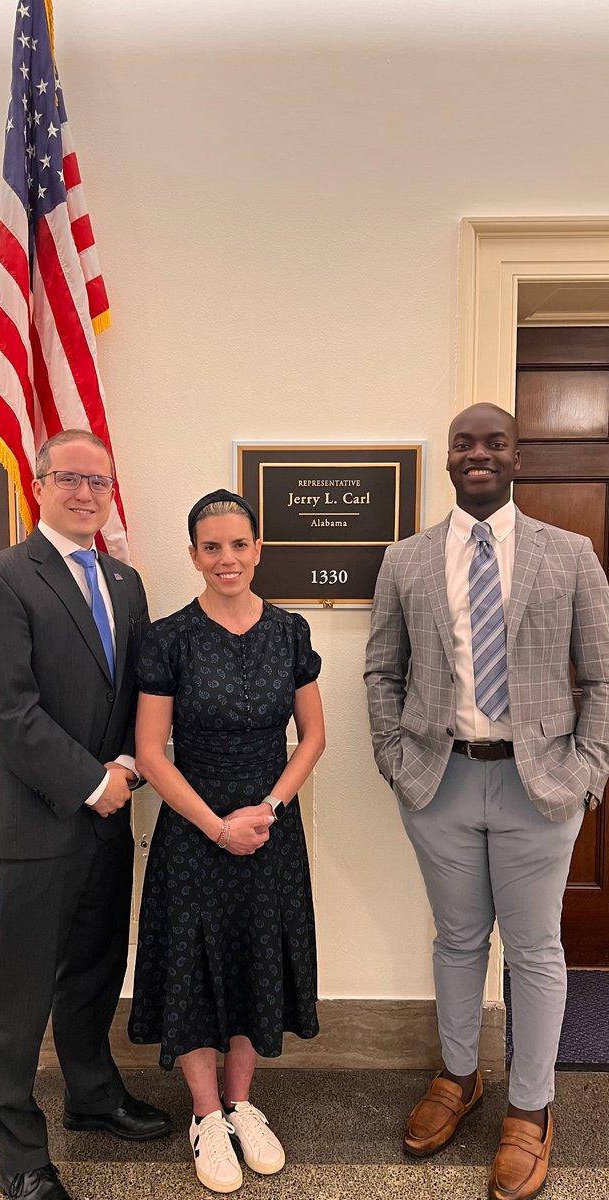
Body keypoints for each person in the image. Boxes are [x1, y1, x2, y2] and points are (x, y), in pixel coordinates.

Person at [364, 404, 609, 1200]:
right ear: (447, 459)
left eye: (493, 442)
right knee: (459, 938)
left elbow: (601, 678)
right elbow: (380, 671)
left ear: (516, 455)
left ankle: (530, 1108)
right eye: (463, 443)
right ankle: (459, 1076)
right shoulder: (404, 559)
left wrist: (586, 771)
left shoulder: (569, 554)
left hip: (539, 784)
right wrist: (396, 763)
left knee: (534, 949)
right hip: (438, 781)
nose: (478, 454)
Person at [0, 430, 171, 1200]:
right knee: (22, 988)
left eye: (100, 481)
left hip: (109, 812)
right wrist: (91, 782)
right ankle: (19, 1152)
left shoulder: (125, 582)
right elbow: (7, 711)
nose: (87, 493)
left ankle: (91, 1097)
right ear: (41, 483)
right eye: (71, 479)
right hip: (34, 817)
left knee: (93, 967)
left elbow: (136, 694)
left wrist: (124, 767)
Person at [129, 488, 325, 1194]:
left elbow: (313, 737)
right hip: (193, 829)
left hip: (270, 827)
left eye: (238, 544)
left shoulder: (288, 631)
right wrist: (216, 825)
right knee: (195, 965)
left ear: (257, 549)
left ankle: (243, 1104)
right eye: (211, 547)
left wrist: (266, 808)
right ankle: (206, 1116)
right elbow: (152, 752)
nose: (226, 558)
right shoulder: (169, 636)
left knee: (252, 959)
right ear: (193, 555)